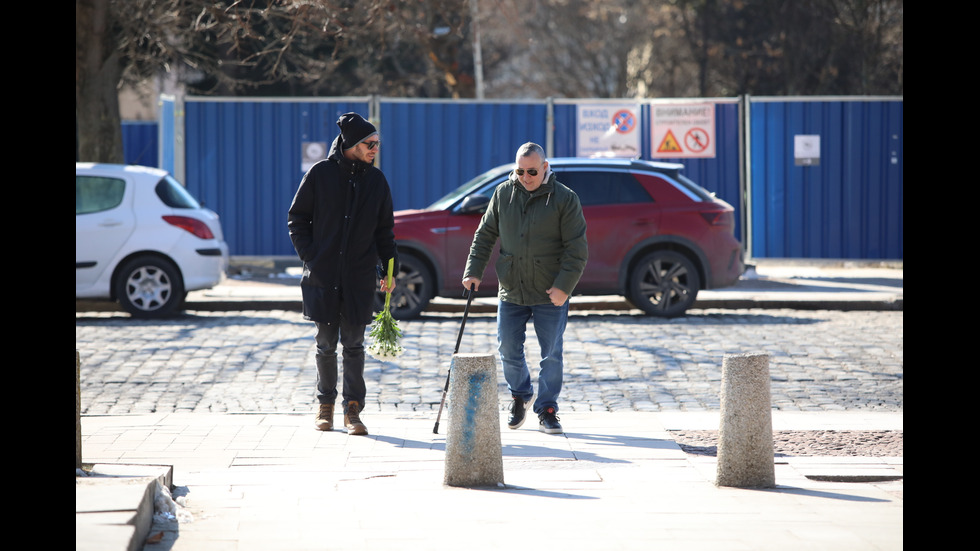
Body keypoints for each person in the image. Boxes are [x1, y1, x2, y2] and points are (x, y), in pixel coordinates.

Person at [462, 142, 588, 434]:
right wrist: (473, 272)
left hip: (550, 292)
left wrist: (563, 287)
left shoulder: (564, 199)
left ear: (545, 167)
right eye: (519, 171)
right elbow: (485, 235)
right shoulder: (503, 194)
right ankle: (520, 394)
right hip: (512, 288)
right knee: (507, 348)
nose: (525, 177)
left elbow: (577, 249)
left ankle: (547, 408)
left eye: (532, 171)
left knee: (551, 354)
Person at [287, 112, 397, 436]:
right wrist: (312, 257)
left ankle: (353, 410)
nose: (375, 148)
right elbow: (297, 219)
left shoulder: (376, 182)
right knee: (325, 345)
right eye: (369, 143)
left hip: (359, 277)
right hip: (323, 277)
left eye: (377, 143)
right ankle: (325, 406)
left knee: (354, 344)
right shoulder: (319, 174)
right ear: (351, 144)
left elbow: (386, 232)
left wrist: (390, 269)